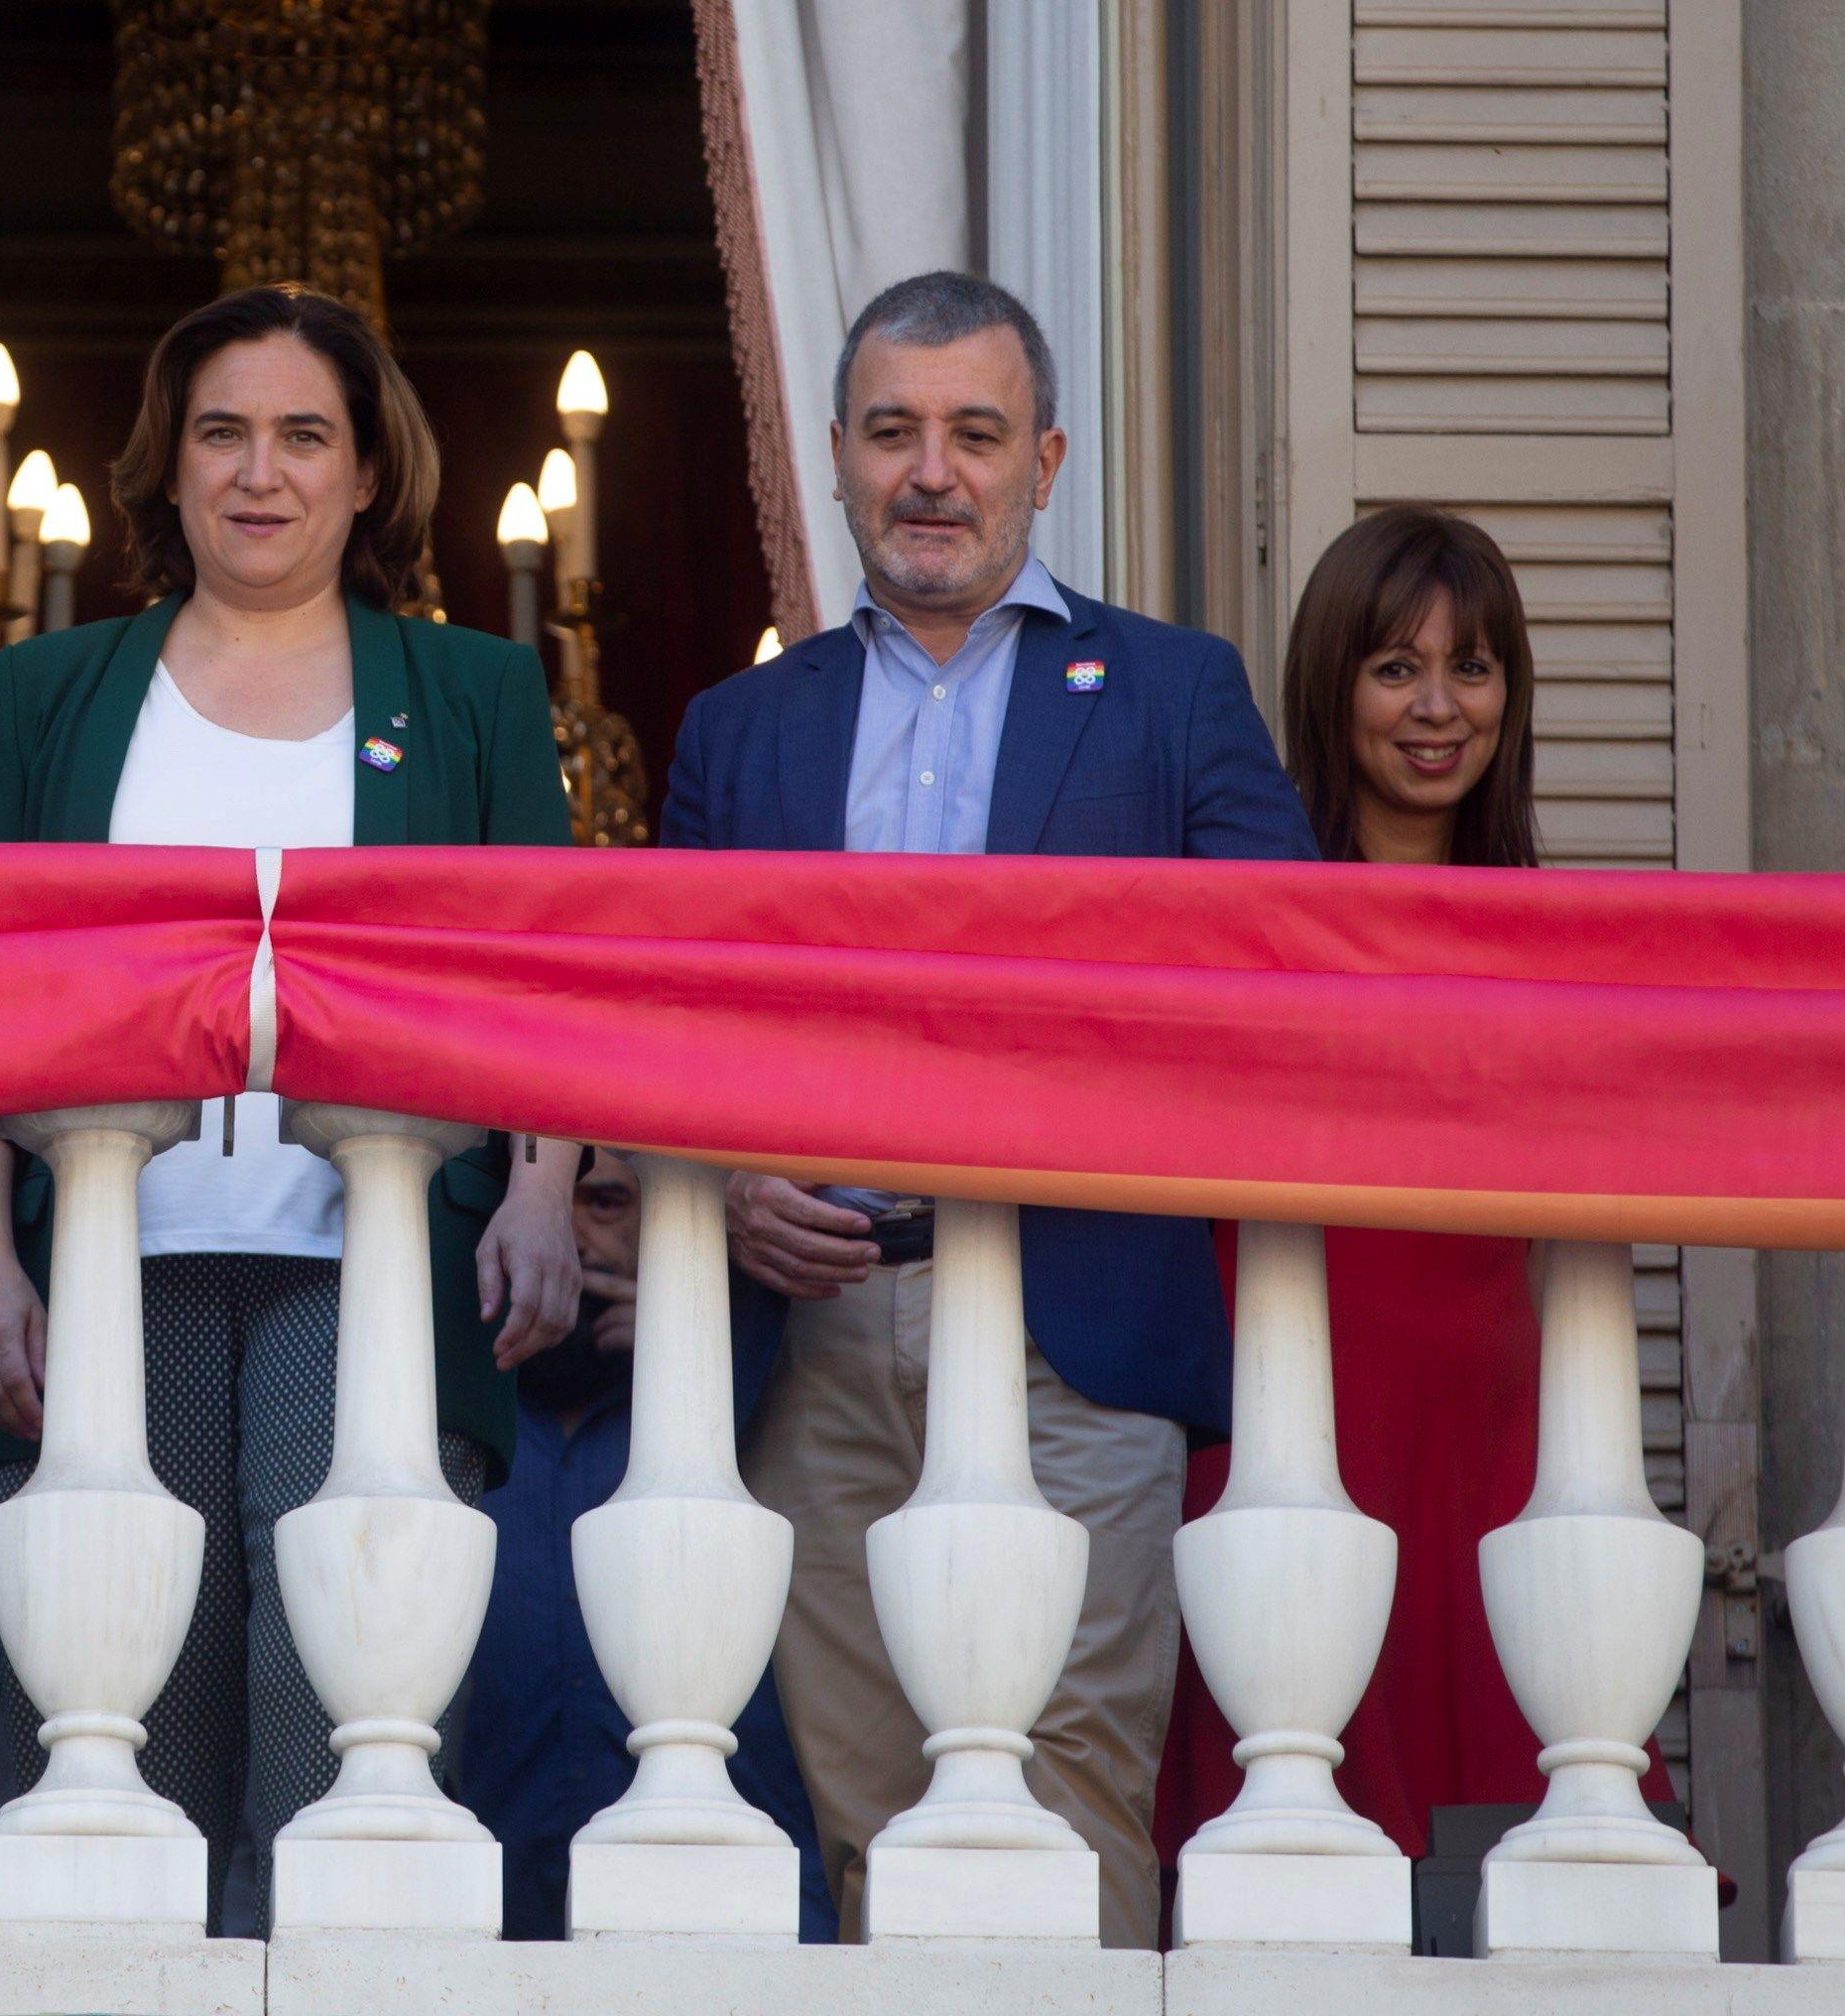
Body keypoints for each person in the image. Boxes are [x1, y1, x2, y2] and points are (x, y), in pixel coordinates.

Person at [659, 270, 1318, 1948]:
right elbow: (656, 1035)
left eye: (972, 433)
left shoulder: (1174, 695)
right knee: (864, 1804)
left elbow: (1284, 987)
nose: (930, 473)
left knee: (1076, 1779)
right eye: (892, 433)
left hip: (1073, 1332)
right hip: (814, 1349)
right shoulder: (740, 730)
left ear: (1047, 458)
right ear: (833, 456)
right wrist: (732, 1183)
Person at [0, 282, 581, 1929]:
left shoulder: (475, 695)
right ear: (168, 462)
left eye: (304, 435)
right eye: (222, 432)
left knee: (330, 1697)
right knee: (120, 1705)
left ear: (369, 473)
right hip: (104, 1257)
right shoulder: (53, 695)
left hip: (362, 1268)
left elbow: (542, 975)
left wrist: (541, 1188)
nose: (259, 472)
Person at [1152, 505, 1673, 1880]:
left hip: (1501, 1422)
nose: (1439, 708)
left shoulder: (1561, 942)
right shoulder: (1245, 926)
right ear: (1332, 687)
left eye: (1474, 667)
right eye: (1395, 667)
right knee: (1291, 1824)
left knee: (1524, 1830)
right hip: (1291, 1396)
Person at [451, 1160, 836, 1941]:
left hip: (723, 1922)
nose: (575, 1241)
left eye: (606, 1203)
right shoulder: (461, 1441)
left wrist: (679, 1323)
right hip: (494, 1939)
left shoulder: (738, 1395)